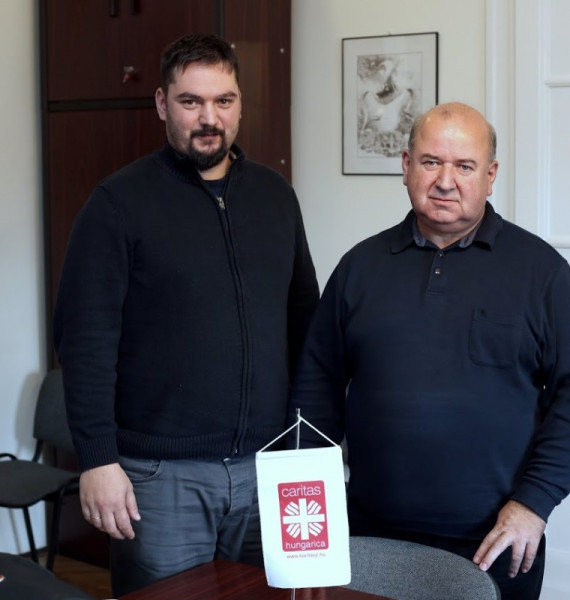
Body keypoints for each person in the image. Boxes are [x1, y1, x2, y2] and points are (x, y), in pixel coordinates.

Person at [54, 33, 319, 596]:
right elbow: (84, 342)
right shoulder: (117, 204)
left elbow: (305, 322)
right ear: (161, 103)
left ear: (240, 104)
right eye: (190, 101)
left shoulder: (275, 196)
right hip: (158, 477)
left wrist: (309, 442)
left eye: (223, 101)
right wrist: (97, 461)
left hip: (268, 468)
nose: (209, 119)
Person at [290, 102, 570, 600]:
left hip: (494, 539)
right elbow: (316, 386)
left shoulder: (542, 273)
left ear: (490, 176)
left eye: (464, 166)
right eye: (431, 162)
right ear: (406, 166)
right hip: (367, 536)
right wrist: (312, 506)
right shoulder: (360, 267)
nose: (445, 181)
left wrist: (534, 503)